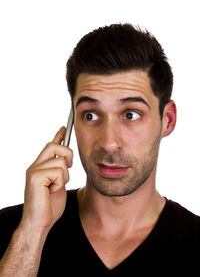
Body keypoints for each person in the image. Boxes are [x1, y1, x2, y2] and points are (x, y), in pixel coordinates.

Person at [0, 23, 199, 276]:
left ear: (167, 120)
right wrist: (33, 232)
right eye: (91, 115)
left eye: (130, 114)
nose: (109, 142)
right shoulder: (14, 232)